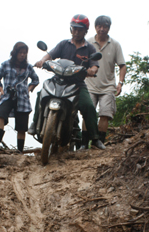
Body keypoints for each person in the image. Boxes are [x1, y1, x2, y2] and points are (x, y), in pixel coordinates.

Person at [29, 14, 106, 151]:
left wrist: (92, 70)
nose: (76, 32)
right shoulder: (64, 44)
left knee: (88, 106)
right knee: (41, 93)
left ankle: (95, 138)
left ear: (85, 31)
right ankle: (35, 123)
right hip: (58, 80)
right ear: (71, 29)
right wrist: (42, 61)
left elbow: (95, 65)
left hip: (77, 84)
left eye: (79, 29)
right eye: (74, 29)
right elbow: (50, 55)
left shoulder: (89, 48)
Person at [83, 15, 126, 146]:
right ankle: (84, 143)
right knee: (87, 113)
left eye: (105, 26)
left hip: (108, 86)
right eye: (99, 26)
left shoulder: (115, 45)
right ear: (95, 27)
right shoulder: (87, 43)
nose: (102, 29)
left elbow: (122, 65)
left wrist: (120, 83)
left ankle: (99, 143)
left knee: (105, 114)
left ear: (108, 28)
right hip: (89, 85)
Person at [0, 42, 39, 152]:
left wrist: (28, 89)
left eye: (24, 53)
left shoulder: (28, 67)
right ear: (15, 53)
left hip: (22, 98)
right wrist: (1, 90)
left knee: (22, 126)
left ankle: (20, 150)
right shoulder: (6, 64)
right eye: (20, 52)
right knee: (1, 115)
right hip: (7, 95)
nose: (22, 55)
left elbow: (36, 79)